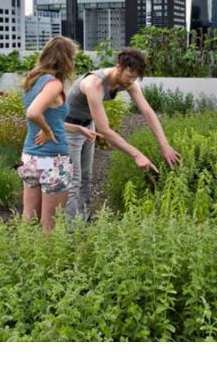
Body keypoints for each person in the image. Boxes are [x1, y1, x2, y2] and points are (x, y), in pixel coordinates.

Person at [64, 47, 181, 220]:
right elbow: (105, 130)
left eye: (135, 78)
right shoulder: (94, 84)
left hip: (87, 126)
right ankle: (68, 230)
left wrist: (164, 145)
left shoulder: (128, 82)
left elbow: (147, 112)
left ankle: (84, 223)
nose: (131, 81)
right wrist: (137, 154)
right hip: (69, 128)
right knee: (73, 181)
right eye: (129, 76)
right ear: (118, 67)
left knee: (86, 178)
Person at [18, 36, 95, 231]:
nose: (74, 62)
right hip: (53, 161)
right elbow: (33, 113)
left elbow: (49, 118)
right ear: (65, 59)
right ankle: (48, 254)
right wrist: (47, 130)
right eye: (73, 57)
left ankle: (22, 251)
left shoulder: (33, 81)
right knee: (50, 227)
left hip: (30, 159)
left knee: (29, 219)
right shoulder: (53, 84)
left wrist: (77, 129)